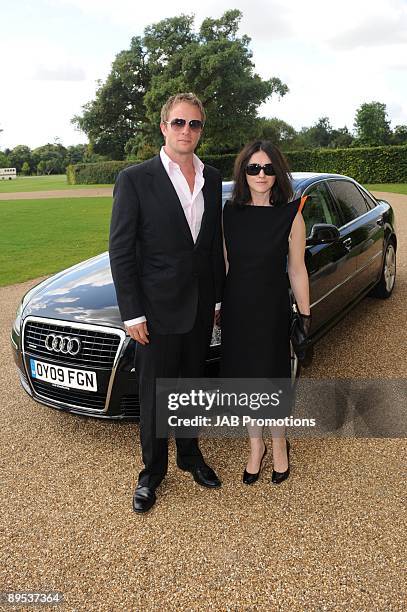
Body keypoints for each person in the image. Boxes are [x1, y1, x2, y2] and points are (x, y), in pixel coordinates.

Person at [109, 93, 225, 513]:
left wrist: (216, 300)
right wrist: (132, 313)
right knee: (156, 395)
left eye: (194, 124)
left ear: (200, 130)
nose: (186, 131)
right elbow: (121, 251)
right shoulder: (135, 179)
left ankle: (190, 456)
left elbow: (211, 245)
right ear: (163, 127)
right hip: (154, 313)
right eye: (178, 123)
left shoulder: (212, 178)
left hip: (198, 308)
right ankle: (152, 473)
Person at [220, 140, 310, 485]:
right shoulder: (229, 213)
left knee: (271, 377)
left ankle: (279, 443)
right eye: (254, 168)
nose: (261, 174)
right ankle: (255, 446)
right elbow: (225, 264)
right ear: (243, 172)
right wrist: (218, 304)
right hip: (237, 307)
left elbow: (297, 269)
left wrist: (305, 317)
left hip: (271, 308)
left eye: (269, 168)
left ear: (278, 173)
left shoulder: (291, 214)